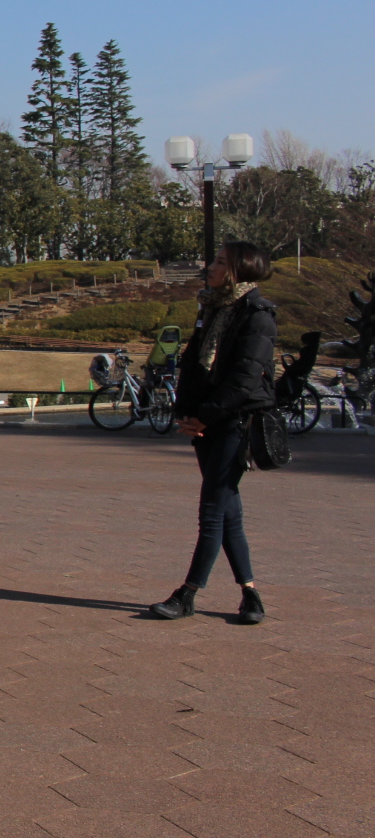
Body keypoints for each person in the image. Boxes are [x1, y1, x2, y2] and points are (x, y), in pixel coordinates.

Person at [149, 241, 278, 625]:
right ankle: (250, 595)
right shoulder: (213, 309)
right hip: (206, 422)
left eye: (220, 262)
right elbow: (193, 364)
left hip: (235, 422)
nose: (211, 266)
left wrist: (204, 417)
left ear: (239, 270)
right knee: (228, 511)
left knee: (211, 511)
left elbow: (244, 380)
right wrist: (186, 412)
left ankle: (187, 594)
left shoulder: (258, 316)